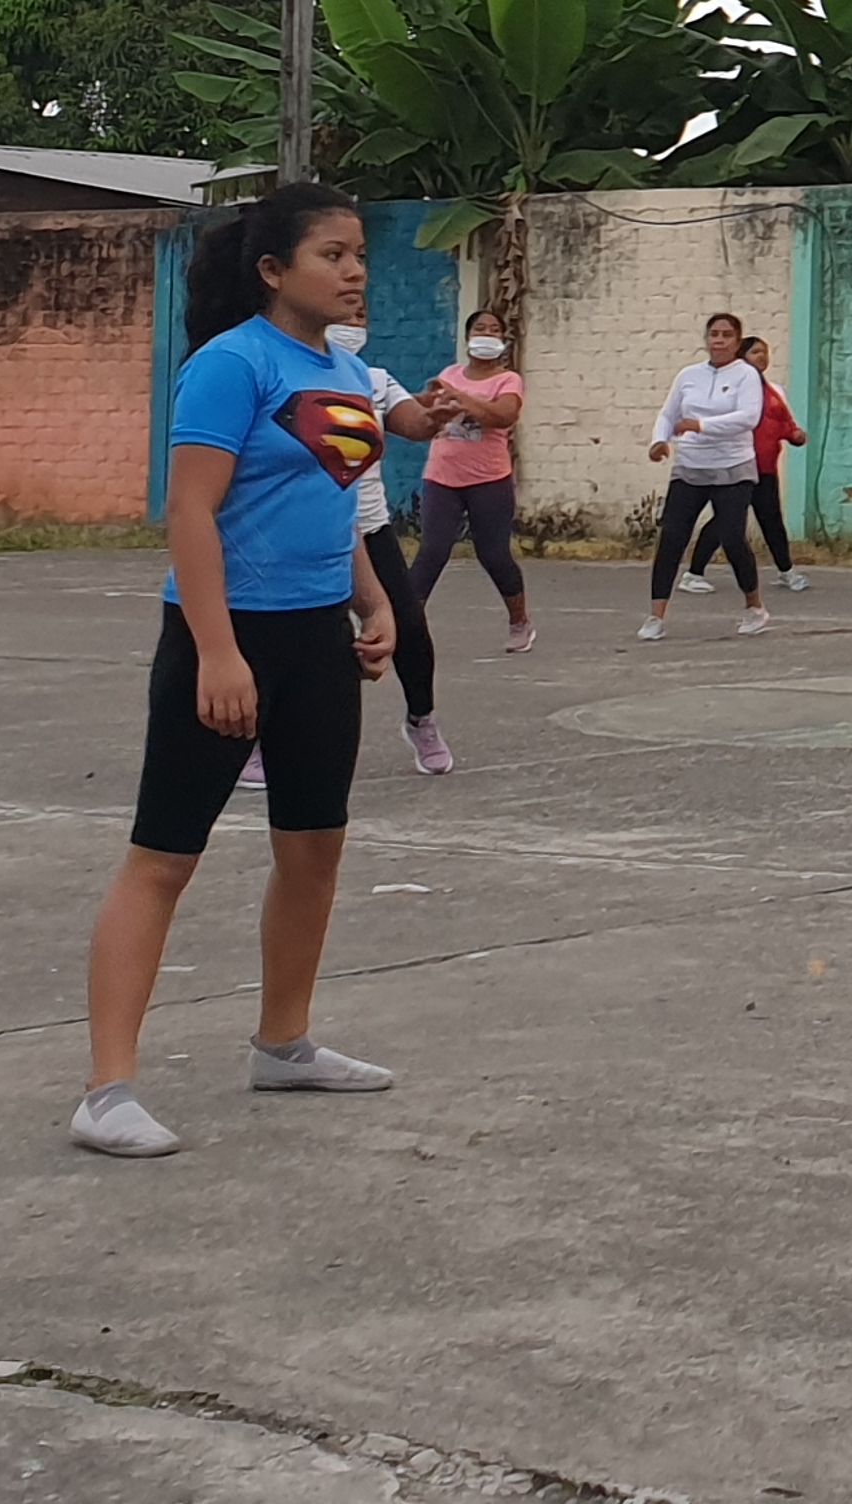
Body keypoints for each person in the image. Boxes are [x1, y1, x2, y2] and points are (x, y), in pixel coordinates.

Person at [69, 184, 414, 1158]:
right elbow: (191, 510)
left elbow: (334, 497)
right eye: (332, 254)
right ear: (273, 269)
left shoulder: (342, 368)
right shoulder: (231, 364)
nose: (354, 271)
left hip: (317, 635)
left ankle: (284, 1045)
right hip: (224, 635)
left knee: (314, 847)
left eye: (359, 253)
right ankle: (105, 1091)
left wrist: (372, 601)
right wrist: (218, 652)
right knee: (164, 856)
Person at [326, 323, 450, 775]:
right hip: (311, 529)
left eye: (361, 314)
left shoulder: (374, 380)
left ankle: (422, 719)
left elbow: (414, 422)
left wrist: (435, 415)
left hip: (371, 527)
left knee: (409, 626)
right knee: (304, 636)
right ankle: (263, 736)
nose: (352, 324)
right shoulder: (287, 377)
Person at [642, 314, 770, 642]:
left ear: (737, 341)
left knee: (731, 537)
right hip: (690, 467)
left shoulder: (746, 375)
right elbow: (669, 413)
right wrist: (659, 440)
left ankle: (754, 606)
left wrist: (701, 425)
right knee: (671, 537)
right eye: (714, 334)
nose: (719, 340)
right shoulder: (689, 375)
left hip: (733, 468)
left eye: (727, 335)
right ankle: (656, 616)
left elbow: (748, 417)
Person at [412, 310, 534, 656]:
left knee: (493, 554)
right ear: (468, 338)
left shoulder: (507, 380)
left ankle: (519, 621)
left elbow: (504, 415)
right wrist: (417, 401)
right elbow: (426, 409)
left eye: (494, 330)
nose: (487, 334)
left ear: (503, 340)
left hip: (488, 479)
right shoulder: (449, 375)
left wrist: (462, 399)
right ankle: (406, 623)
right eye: (480, 328)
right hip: (442, 477)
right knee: (432, 550)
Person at [686, 333, 807, 593]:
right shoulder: (730, 390)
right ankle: (693, 573)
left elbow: (783, 423)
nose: (762, 357)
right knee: (726, 520)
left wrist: (795, 435)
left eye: (765, 352)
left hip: (764, 467)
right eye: (755, 352)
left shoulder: (775, 391)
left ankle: (786, 571)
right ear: (741, 357)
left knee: (771, 519)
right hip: (737, 466)